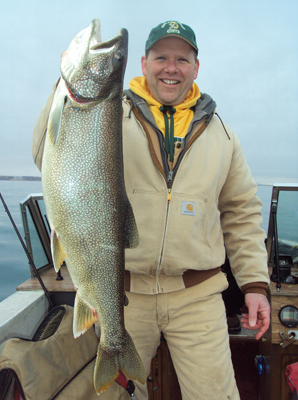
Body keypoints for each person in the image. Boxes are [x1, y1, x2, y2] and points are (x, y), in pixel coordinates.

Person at [32, 20, 271, 400]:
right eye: (162, 57)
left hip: (199, 296)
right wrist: (60, 88)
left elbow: (241, 213)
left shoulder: (223, 136)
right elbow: (46, 154)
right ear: (144, 63)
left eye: (181, 58)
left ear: (196, 67)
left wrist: (255, 284)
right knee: (114, 396)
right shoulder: (107, 113)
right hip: (125, 291)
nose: (171, 68)